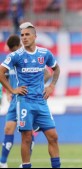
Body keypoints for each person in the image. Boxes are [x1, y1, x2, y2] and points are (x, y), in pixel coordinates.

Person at [0, 22, 61, 168]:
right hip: (24, 102)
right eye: (22, 35)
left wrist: (51, 86)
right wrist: (12, 90)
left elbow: (56, 69)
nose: (24, 37)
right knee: (26, 138)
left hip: (41, 102)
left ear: (35, 36)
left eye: (27, 34)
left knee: (53, 137)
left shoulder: (44, 53)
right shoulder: (16, 56)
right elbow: (1, 73)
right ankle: (21, 165)